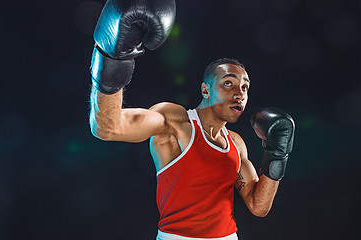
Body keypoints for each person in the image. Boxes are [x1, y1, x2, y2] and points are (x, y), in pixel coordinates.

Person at [88, 0, 295, 239]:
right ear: (205, 90)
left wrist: (277, 154)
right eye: (228, 83)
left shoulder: (237, 144)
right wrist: (113, 58)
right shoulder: (174, 123)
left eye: (245, 87)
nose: (240, 93)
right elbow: (106, 127)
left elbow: (259, 206)